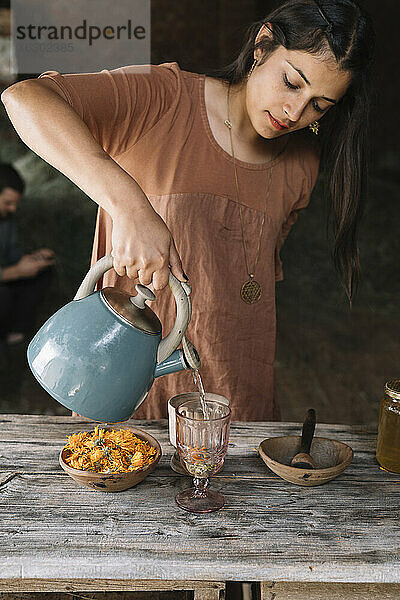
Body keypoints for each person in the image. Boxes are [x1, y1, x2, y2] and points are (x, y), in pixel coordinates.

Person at [1, 0, 374, 420]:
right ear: (263, 44)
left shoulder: (302, 164)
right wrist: (130, 207)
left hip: (237, 386)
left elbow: (243, 280)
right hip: (124, 379)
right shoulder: (163, 96)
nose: (295, 112)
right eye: (291, 82)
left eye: (319, 105)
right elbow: (25, 99)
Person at [0, 163, 55, 345]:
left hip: (7, 273)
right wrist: (17, 271)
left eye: (16, 203)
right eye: (8, 203)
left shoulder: (6, 220)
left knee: (44, 274)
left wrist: (32, 258)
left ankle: (17, 331)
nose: (13, 209)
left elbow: (12, 252)